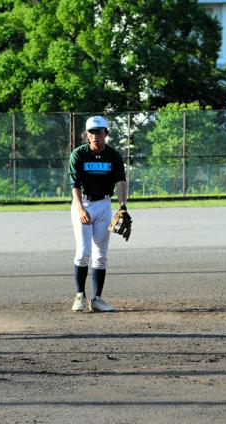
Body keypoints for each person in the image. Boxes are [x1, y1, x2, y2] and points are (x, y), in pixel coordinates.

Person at [68, 116, 127, 312]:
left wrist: (122, 206)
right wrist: (79, 209)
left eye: (98, 132)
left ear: (106, 133)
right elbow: (74, 185)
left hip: (103, 204)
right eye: (91, 132)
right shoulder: (79, 154)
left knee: (101, 255)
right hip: (83, 203)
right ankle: (79, 296)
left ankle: (97, 299)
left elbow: (121, 182)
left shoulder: (114, 156)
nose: (95, 136)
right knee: (83, 252)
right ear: (87, 134)